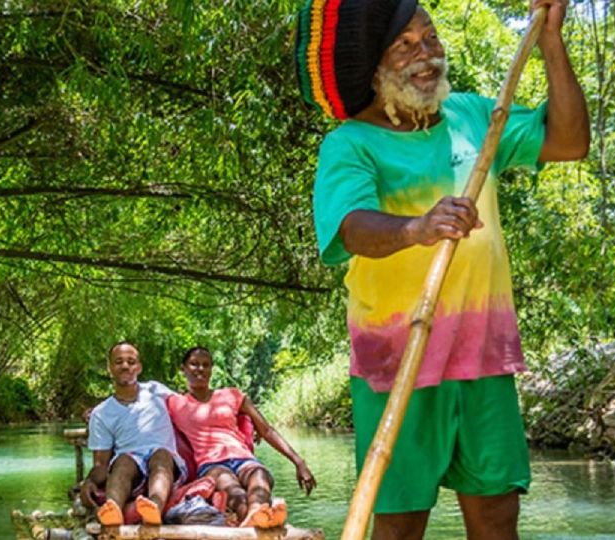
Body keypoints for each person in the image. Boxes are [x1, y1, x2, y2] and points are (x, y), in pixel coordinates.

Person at [298, 0, 589, 538]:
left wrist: (550, 40)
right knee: (401, 524)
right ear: (375, 68)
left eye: (429, 37)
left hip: (483, 354)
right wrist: (416, 228)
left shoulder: (479, 117)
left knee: (498, 518)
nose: (425, 53)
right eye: (404, 45)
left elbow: (570, 142)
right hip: (398, 358)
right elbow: (351, 228)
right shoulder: (351, 143)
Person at [167, 347, 317, 528]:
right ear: (183, 368)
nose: (200, 369)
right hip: (212, 464)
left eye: (206, 365)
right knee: (233, 489)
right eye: (194, 364)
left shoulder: (232, 395)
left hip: (244, 459)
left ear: (212, 369)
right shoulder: (174, 403)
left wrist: (299, 462)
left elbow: (267, 430)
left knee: (260, 475)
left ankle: (255, 515)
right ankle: (258, 519)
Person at [80, 341, 187, 526]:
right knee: (123, 462)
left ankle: (154, 509)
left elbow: (188, 406)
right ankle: (112, 511)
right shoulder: (102, 413)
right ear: (110, 368)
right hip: (130, 462)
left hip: (165, 460)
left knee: (161, 456)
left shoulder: (156, 390)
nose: (125, 366)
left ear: (139, 367)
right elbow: (101, 464)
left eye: (131, 361)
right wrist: (89, 482)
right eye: (119, 361)